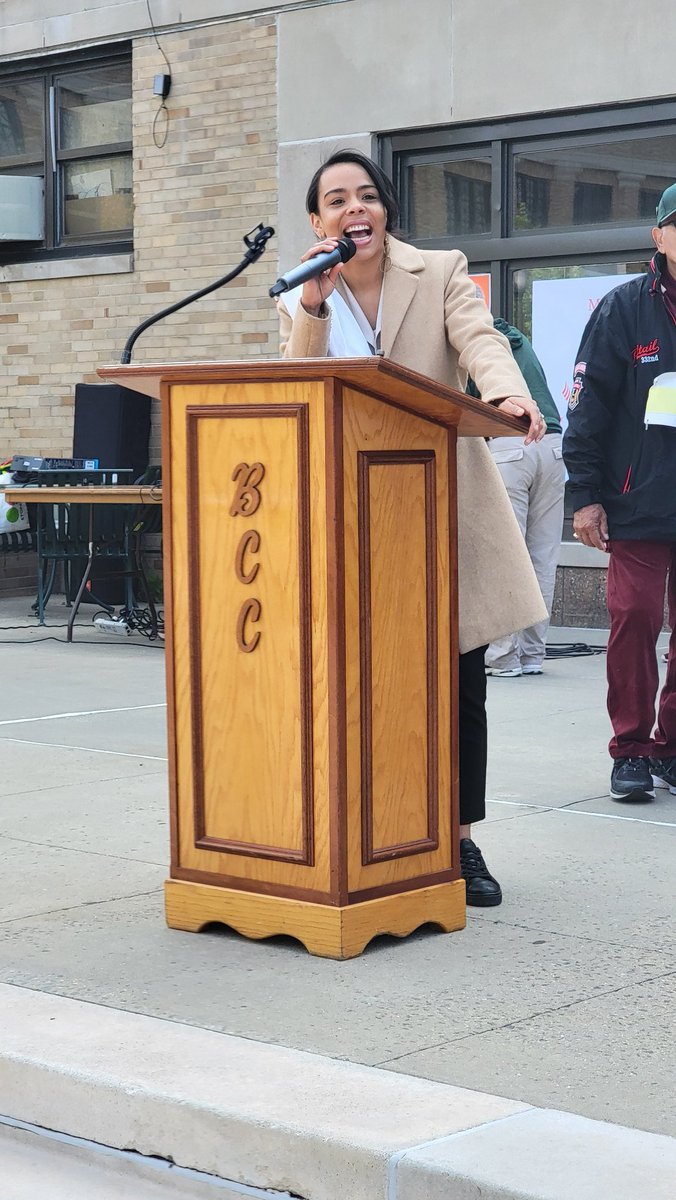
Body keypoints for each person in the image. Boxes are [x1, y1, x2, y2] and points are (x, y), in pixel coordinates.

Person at [276, 148, 547, 905]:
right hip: (346, 520)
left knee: (460, 684)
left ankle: (461, 843)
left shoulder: (440, 270)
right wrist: (318, 306)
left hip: (442, 507)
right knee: (361, 683)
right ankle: (372, 833)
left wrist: (507, 396)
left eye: (367, 197)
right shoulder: (304, 292)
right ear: (317, 220)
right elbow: (296, 383)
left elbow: (480, 338)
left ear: (386, 211)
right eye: (337, 200)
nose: (353, 210)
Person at [563, 181, 676, 803]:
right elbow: (587, 409)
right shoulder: (623, 307)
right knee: (634, 620)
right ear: (657, 236)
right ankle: (631, 749)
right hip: (636, 501)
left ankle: (671, 747)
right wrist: (585, 495)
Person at [475, 318, 565, 677]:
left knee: (506, 554)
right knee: (542, 556)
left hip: (511, 444)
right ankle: (532, 655)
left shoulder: (477, 343)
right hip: (553, 445)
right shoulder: (519, 339)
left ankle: (502, 656)